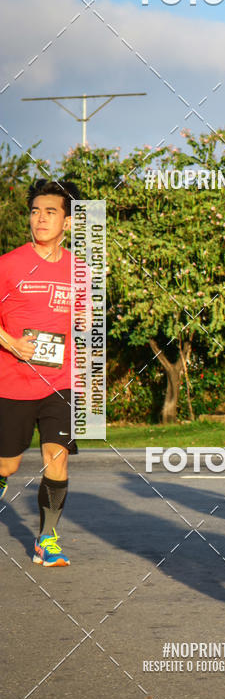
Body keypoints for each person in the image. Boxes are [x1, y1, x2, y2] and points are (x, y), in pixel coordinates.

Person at [0, 178, 82, 567]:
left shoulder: (80, 270)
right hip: (12, 382)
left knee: (57, 457)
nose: (41, 218)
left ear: (68, 221)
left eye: (51, 212)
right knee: (8, 464)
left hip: (60, 382)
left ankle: (46, 540)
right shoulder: (8, 264)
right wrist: (12, 343)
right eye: (35, 211)